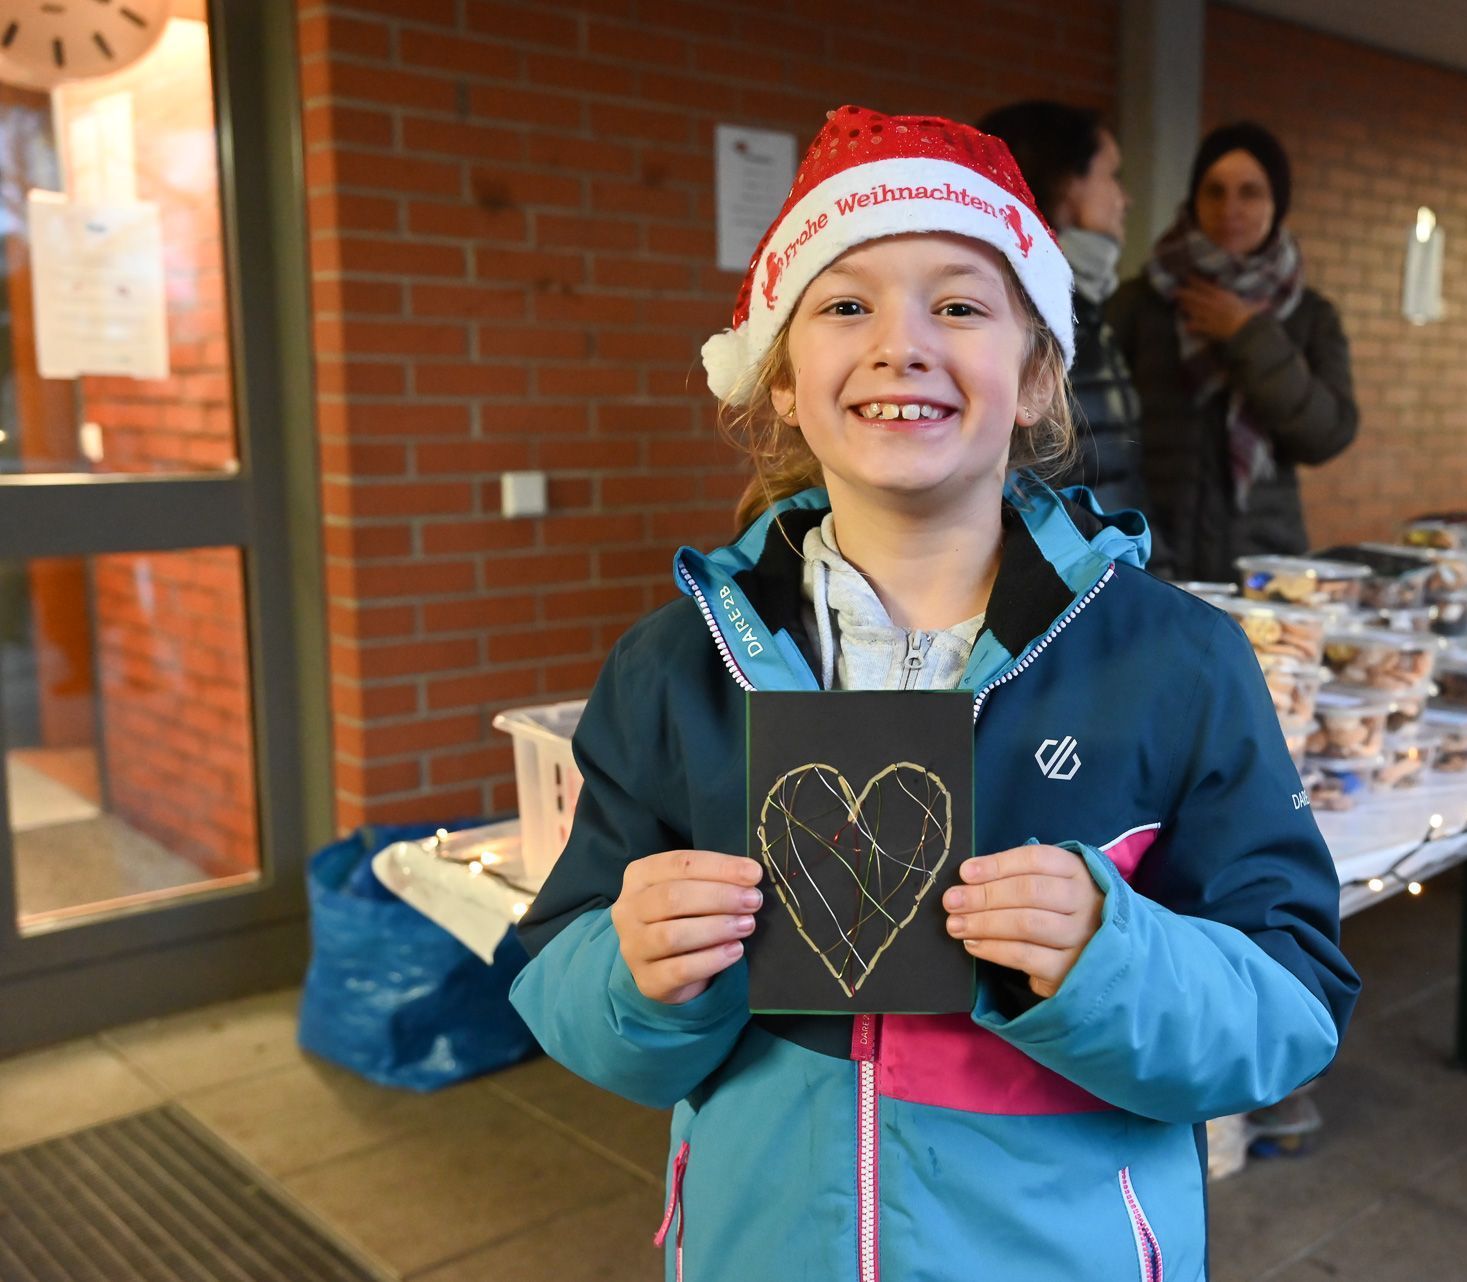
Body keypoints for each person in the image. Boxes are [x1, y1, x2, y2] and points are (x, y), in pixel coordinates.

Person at [507, 106, 1358, 1279]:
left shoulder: (1175, 666)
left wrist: (1108, 958)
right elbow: (562, 982)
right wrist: (633, 973)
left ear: (1037, 368)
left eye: (959, 304)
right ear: (783, 378)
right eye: (846, 303)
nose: (903, 343)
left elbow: (1292, 1010)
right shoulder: (676, 669)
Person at [1109, 121, 1357, 579]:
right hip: (1148, 554)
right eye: (1214, 191)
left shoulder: (1308, 313)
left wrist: (1249, 335)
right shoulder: (1141, 303)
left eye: (1250, 192)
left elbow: (1328, 434)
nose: (1230, 209)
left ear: (1276, 202)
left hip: (1264, 562)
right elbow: (1097, 441)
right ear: (1193, 199)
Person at [977, 100, 1149, 519]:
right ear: (1069, 184)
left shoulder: (1083, 301)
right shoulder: (1029, 311)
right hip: (1073, 570)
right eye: (1113, 176)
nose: (1124, 200)